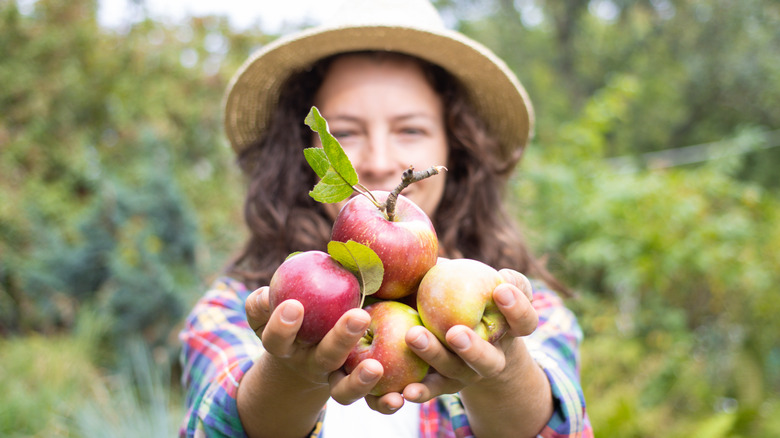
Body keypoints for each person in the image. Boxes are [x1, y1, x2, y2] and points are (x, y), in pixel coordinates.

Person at [179, 0, 592, 436]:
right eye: (347, 134)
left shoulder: (528, 311)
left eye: (410, 130)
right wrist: (289, 374)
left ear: (457, 148)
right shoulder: (242, 308)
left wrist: (504, 371)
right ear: (308, 157)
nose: (378, 163)